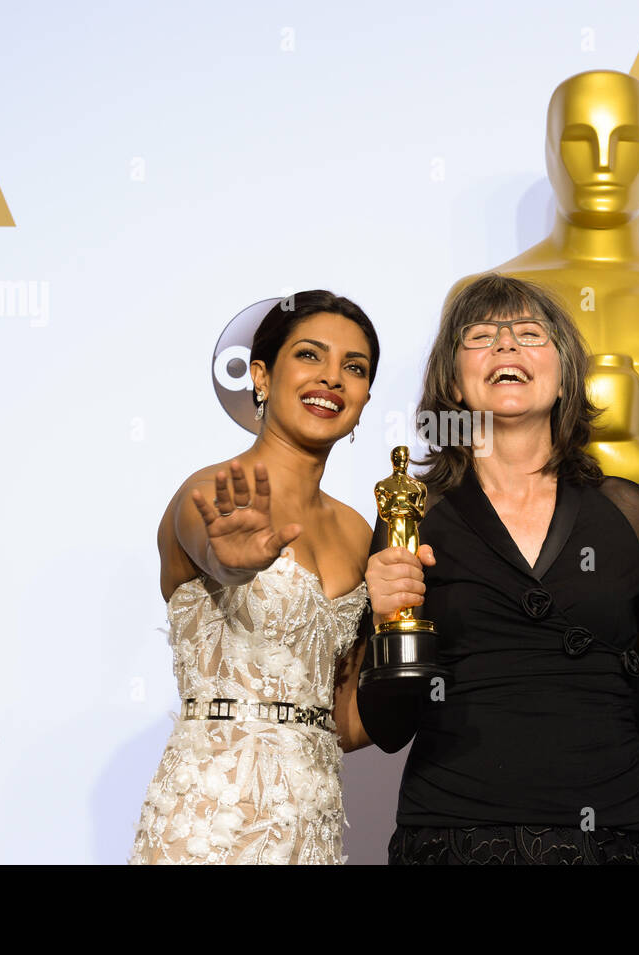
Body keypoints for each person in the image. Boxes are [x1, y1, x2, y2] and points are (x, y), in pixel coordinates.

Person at [358, 274, 639, 865]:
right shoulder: (411, 515)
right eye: (481, 337)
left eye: (529, 334)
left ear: (564, 376)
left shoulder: (627, 511)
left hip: (606, 838)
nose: (506, 347)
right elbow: (388, 727)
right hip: (453, 836)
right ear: (453, 380)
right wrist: (382, 623)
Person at [129, 291, 379, 865]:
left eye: (355, 367)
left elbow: (344, 719)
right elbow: (217, 554)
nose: (333, 378)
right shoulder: (211, 494)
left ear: (365, 399)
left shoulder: (361, 533)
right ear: (262, 376)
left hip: (312, 827)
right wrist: (234, 564)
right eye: (311, 356)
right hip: (209, 822)